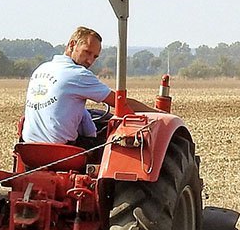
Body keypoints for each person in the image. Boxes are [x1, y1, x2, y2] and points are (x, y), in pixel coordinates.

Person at [22, 27, 156, 151]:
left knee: (90, 114)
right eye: (87, 52)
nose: (90, 61)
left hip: (28, 148)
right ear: (72, 45)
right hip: (61, 150)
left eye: (95, 57)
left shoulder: (42, 69)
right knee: (111, 142)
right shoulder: (78, 74)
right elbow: (120, 102)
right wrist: (156, 113)